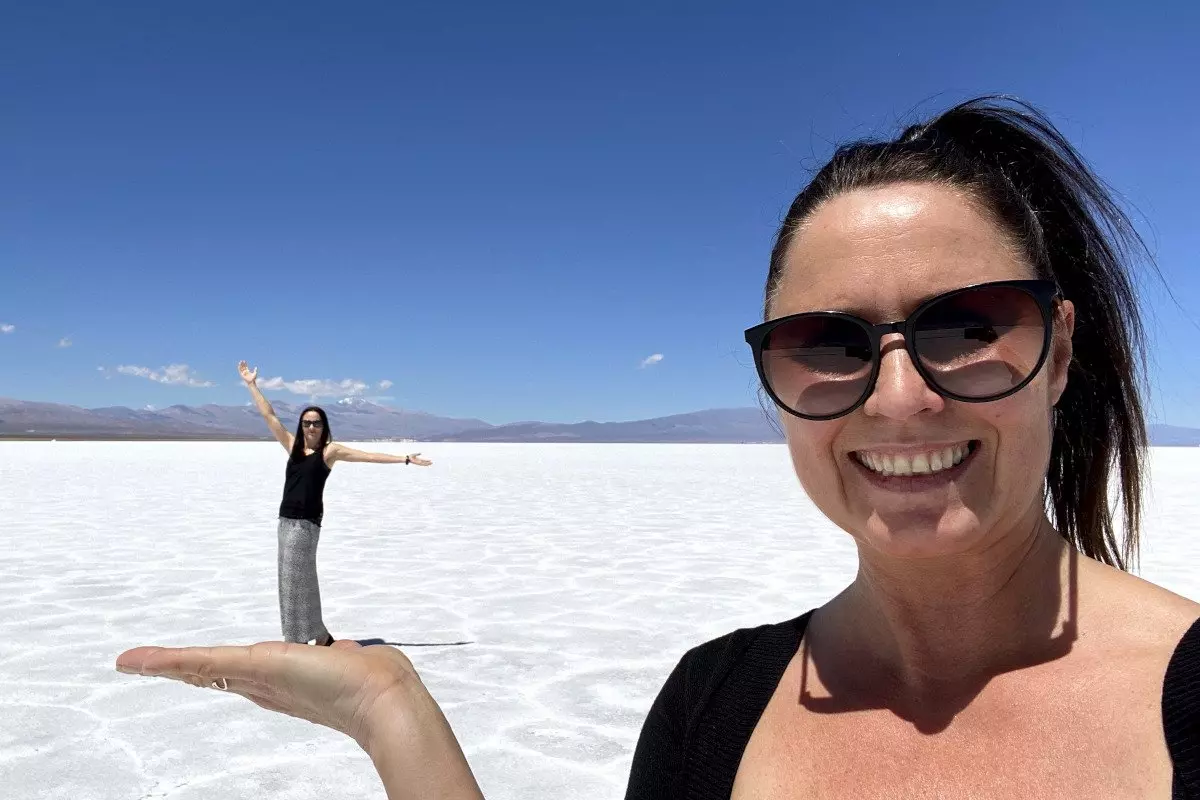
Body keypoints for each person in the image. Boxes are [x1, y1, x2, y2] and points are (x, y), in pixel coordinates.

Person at [117, 99, 1198, 799]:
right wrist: (391, 712)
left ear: (1059, 352)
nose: (902, 398)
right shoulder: (714, 706)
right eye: (828, 344)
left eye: (967, 326)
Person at [238, 360, 432, 647]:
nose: (311, 427)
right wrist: (252, 385)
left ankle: (296, 640)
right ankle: (320, 636)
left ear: (323, 426)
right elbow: (270, 416)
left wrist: (404, 459)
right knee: (292, 579)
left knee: (295, 580)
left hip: (306, 524)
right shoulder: (293, 446)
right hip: (285, 522)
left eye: (316, 423)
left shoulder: (330, 452)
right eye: (307, 422)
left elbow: (367, 456)